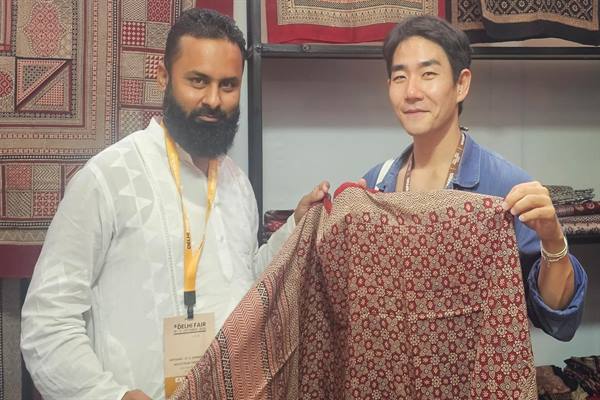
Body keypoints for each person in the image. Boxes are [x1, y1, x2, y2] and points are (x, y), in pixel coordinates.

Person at [20, 9, 329, 400]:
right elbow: (47, 323)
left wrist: (294, 229)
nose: (213, 100)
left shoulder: (237, 184)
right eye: (198, 81)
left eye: (228, 85)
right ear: (163, 77)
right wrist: (112, 396)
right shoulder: (107, 178)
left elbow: (243, 288)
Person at [361, 16, 586, 342]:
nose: (411, 91)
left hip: (473, 370)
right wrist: (305, 224)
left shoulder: (506, 188)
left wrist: (553, 240)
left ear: (461, 84)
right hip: (390, 367)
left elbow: (556, 315)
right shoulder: (375, 186)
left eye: (428, 74)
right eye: (400, 77)